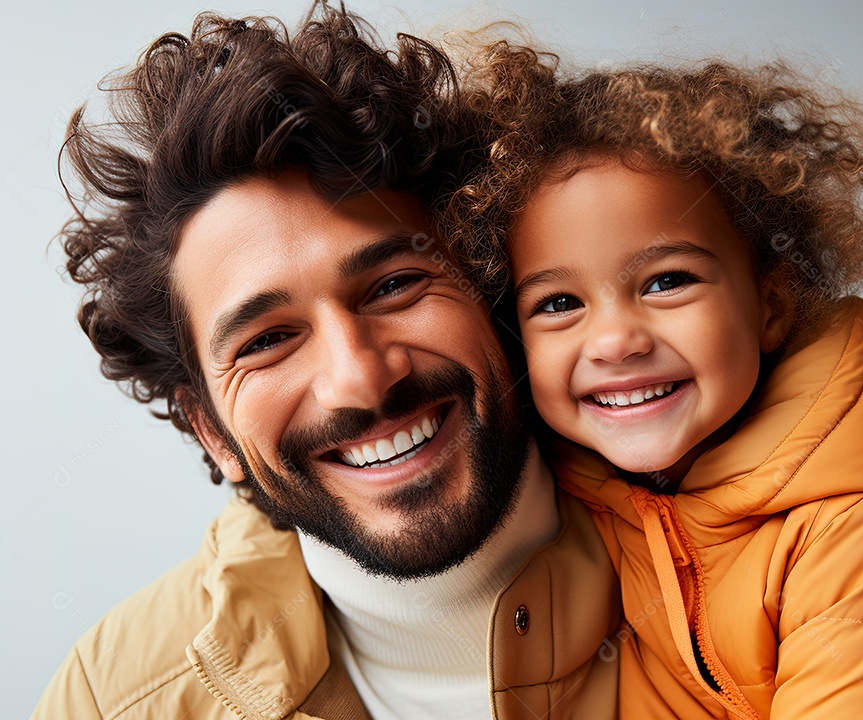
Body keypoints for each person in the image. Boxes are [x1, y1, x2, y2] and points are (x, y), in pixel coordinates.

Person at [444, 41, 863, 718]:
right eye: (559, 304)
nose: (614, 341)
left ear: (770, 306)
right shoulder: (577, 514)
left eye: (667, 282)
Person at [33, 5, 621, 719]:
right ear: (213, 430)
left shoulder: (761, 562)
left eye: (396, 285)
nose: (362, 377)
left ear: (491, 291)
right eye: (266, 341)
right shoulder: (112, 702)